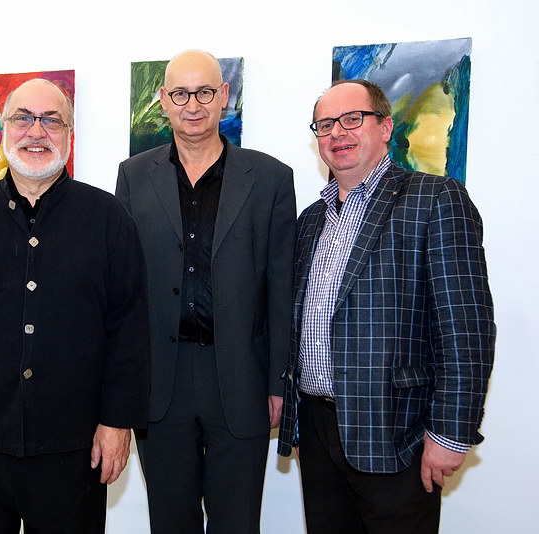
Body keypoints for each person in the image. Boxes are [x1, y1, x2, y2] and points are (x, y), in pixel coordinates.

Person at [0, 78, 150, 534]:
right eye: (23, 118)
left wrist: (118, 423)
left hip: (73, 449)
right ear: (4, 128)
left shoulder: (109, 220)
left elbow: (129, 330)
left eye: (51, 120)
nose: (37, 131)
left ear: (69, 133)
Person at [277, 79, 495, 534]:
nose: (338, 133)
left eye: (352, 119)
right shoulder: (311, 219)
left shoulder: (435, 199)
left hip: (396, 431)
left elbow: (466, 330)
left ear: (385, 126)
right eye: (325, 125)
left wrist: (451, 433)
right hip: (318, 429)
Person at [116, 49, 296, 533]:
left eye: (204, 92)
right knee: (170, 522)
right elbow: (123, 289)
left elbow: (282, 288)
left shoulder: (271, 179)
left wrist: (279, 383)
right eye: (180, 93)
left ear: (224, 96)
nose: (192, 105)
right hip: (161, 383)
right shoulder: (133, 176)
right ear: (163, 100)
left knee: (237, 522)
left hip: (241, 379)